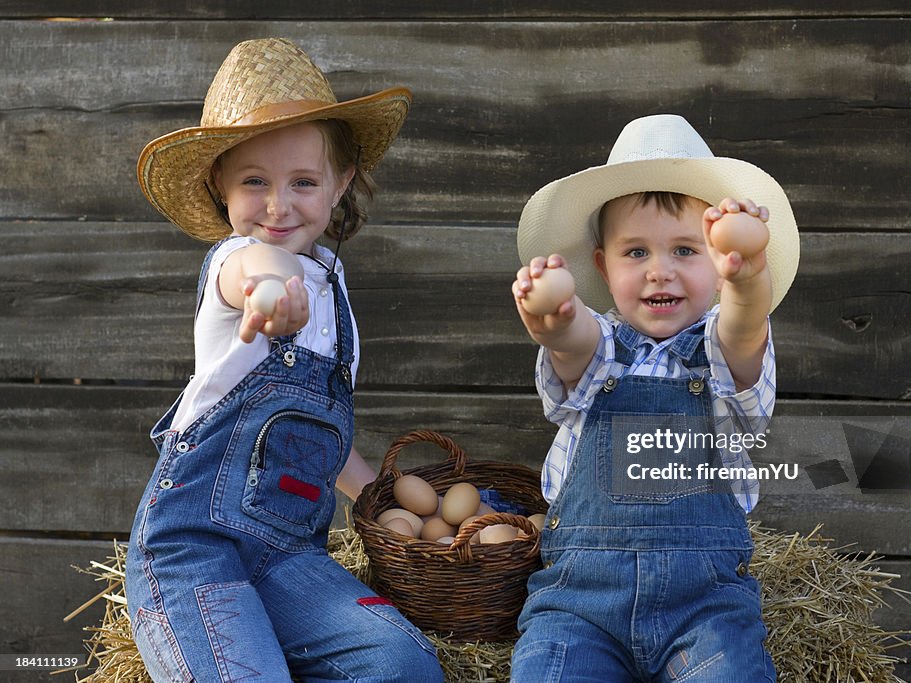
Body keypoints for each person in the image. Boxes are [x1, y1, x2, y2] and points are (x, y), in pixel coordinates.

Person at [126, 38, 445, 682]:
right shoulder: (234, 261)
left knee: (402, 663)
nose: (278, 206)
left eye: (303, 182)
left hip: (287, 558)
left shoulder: (330, 285)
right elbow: (258, 273)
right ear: (220, 186)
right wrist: (271, 299)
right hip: (194, 552)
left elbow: (315, 448)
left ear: (341, 183)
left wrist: (379, 501)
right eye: (254, 182)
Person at [510, 114, 800, 682]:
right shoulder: (602, 344)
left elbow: (746, 328)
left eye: (687, 251)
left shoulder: (719, 348)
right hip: (579, 606)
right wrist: (554, 322)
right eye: (636, 252)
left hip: (705, 607)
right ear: (602, 266)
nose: (659, 272)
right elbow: (575, 348)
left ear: (718, 267)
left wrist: (747, 278)